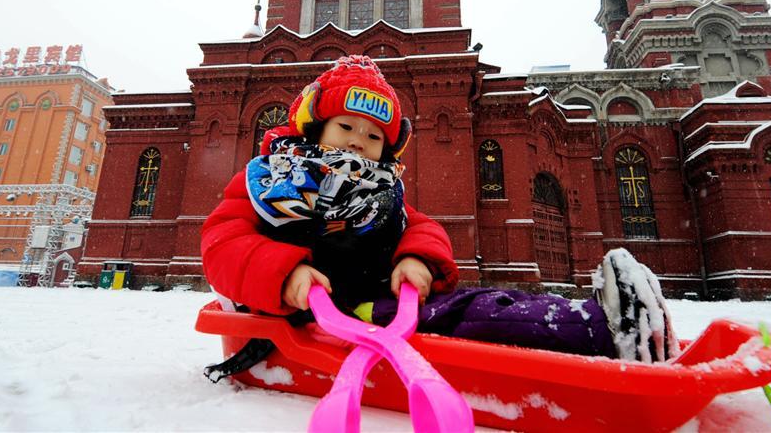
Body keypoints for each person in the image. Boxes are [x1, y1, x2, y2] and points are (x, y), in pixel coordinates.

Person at [201, 55, 678, 364]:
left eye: (373, 137)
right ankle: (599, 330)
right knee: (473, 318)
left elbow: (418, 226)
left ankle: (598, 317)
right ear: (314, 129)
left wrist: (416, 259)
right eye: (346, 126)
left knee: (480, 301)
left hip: (375, 299)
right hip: (318, 314)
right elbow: (223, 244)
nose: (358, 142)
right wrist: (285, 276)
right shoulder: (268, 181)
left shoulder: (380, 190)